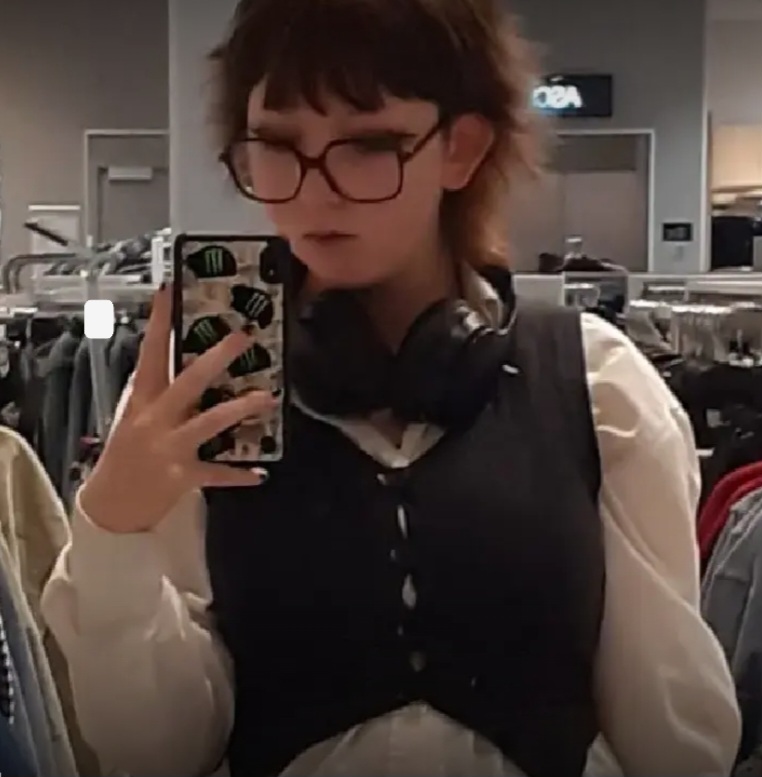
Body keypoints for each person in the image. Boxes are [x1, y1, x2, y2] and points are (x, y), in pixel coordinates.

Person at [41, 0, 740, 776]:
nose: (313, 193)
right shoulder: (209, 390)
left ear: (461, 147)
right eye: (276, 145)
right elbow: (159, 751)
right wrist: (114, 528)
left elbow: (676, 745)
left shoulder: (599, 389)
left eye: (369, 145)